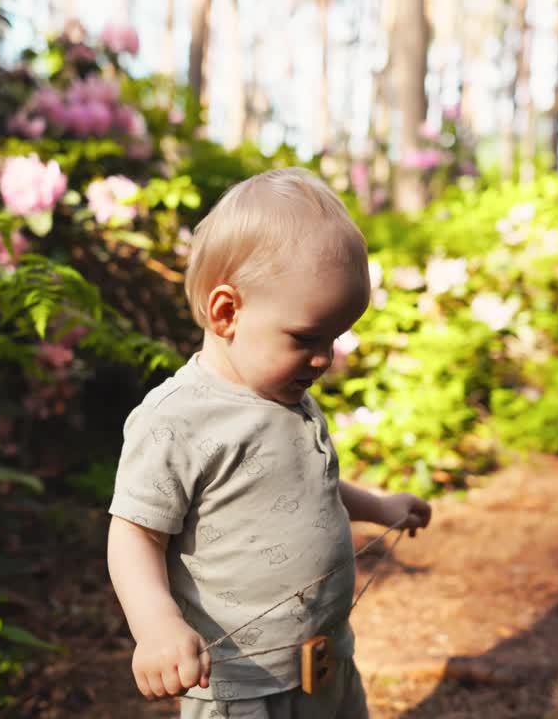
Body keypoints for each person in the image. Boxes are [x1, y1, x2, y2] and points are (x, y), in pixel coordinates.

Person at [107, 167, 432, 718]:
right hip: (241, 682)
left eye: (334, 337)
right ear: (227, 312)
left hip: (325, 662)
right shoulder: (177, 419)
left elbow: (317, 487)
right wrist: (156, 624)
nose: (325, 358)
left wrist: (380, 508)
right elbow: (132, 533)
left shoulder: (292, 398)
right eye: (307, 337)